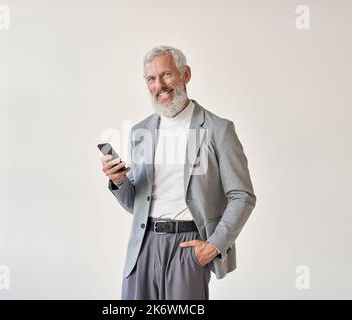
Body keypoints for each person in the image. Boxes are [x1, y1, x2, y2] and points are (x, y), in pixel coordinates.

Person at [100, 45, 256, 300]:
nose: (158, 84)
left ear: (186, 74)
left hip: (188, 247)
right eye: (151, 78)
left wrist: (214, 246)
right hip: (143, 245)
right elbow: (134, 204)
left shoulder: (218, 129)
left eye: (166, 75)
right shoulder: (141, 131)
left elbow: (242, 195)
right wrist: (118, 181)